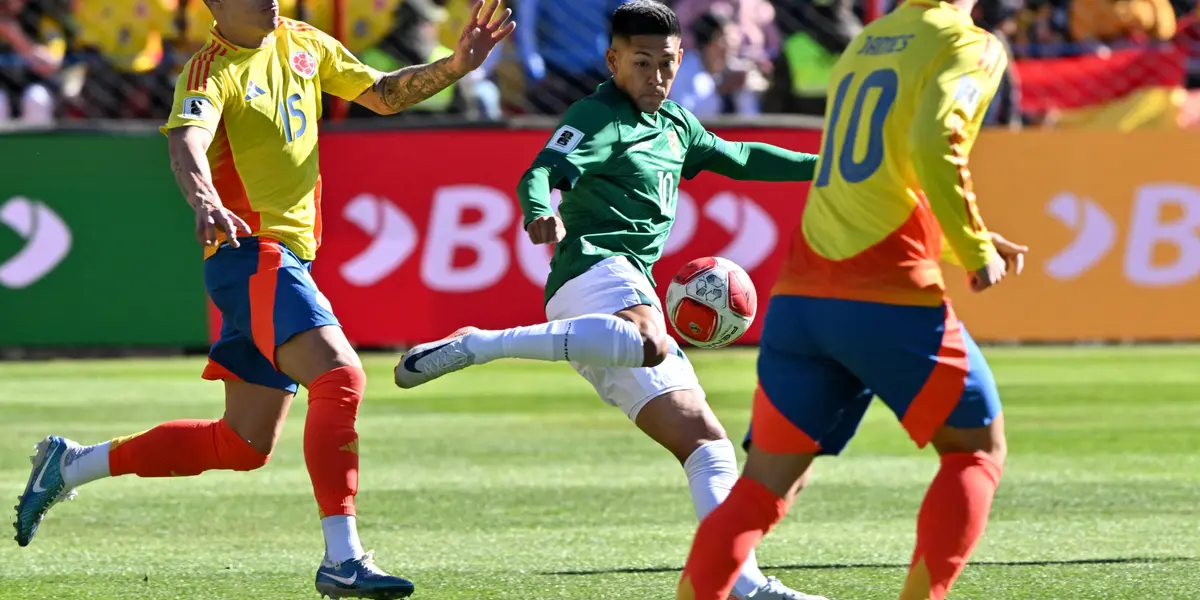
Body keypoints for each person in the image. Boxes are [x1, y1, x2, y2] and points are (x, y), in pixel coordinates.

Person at [13, 1, 514, 598]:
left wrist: (456, 65)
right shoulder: (209, 70)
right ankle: (343, 558)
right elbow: (187, 145)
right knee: (341, 377)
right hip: (253, 252)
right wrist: (204, 201)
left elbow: (381, 93)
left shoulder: (303, 39)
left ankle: (69, 465)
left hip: (283, 261)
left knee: (241, 444)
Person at [394, 2, 823, 599]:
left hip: (622, 300)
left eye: (666, 64)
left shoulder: (677, 126)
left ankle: (741, 582)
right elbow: (542, 170)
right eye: (641, 62)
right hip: (594, 270)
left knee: (707, 443)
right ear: (613, 60)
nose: (656, 76)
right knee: (651, 339)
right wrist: (540, 209)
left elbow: (744, 157)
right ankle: (480, 344)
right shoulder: (597, 116)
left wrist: (828, 168)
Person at [674, 1, 1030, 599]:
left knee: (763, 487)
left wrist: (956, 238)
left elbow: (871, 180)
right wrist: (971, 248)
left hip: (802, 297)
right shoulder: (972, 44)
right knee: (975, 451)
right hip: (886, 294)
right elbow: (934, 140)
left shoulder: (868, 41)